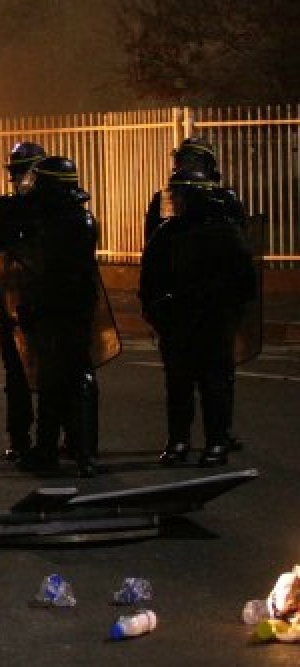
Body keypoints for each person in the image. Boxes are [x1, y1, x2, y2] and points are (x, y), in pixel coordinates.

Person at [139, 167, 255, 467]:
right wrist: (157, 312)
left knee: (212, 383)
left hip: (212, 321)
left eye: (179, 195)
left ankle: (215, 442)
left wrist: (224, 314)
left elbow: (243, 283)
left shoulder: (225, 233)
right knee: (179, 384)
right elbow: (150, 279)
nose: (175, 201)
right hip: (178, 322)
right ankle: (179, 440)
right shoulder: (167, 233)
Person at [10, 156, 100, 478]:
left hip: (60, 310)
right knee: (76, 377)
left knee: (56, 380)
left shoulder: (62, 222)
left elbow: (51, 272)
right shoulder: (77, 218)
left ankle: (51, 450)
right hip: (75, 308)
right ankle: (82, 450)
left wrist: (36, 306)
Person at [0, 142, 42, 461]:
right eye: (20, 171)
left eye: (29, 170)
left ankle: (61, 436)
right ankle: (19, 437)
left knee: (58, 374)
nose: (25, 178)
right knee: (16, 376)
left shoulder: (59, 211)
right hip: (13, 304)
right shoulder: (0, 211)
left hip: (52, 306)